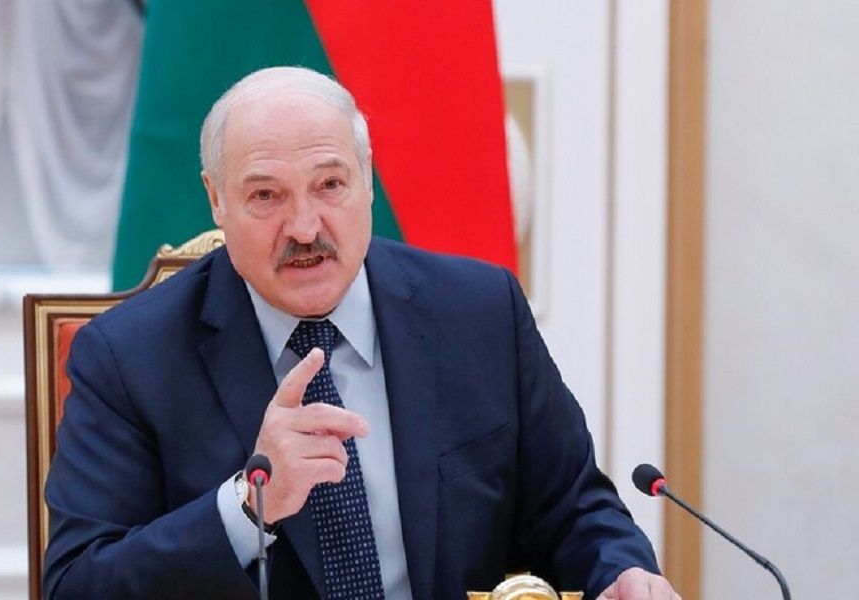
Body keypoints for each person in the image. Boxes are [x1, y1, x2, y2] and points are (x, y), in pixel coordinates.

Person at [43, 66, 680, 600]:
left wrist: (621, 572)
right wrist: (246, 507)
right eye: (266, 196)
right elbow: (78, 585)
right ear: (217, 200)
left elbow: (573, 506)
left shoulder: (481, 312)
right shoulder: (129, 357)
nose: (304, 227)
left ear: (366, 178)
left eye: (330, 185)